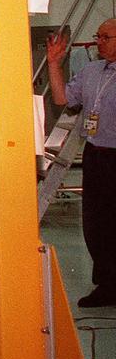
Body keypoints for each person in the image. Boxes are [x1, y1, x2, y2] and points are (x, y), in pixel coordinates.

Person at [47, 18, 116, 308]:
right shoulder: (90, 71)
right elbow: (63, 98)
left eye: (105, 37)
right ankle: (107, 285)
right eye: (97, 36)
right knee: (96, 224)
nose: (98, 41)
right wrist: (53, 64)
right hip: (96, 154)